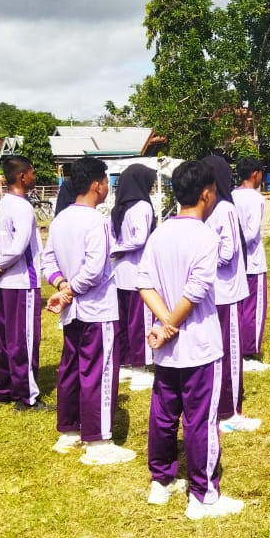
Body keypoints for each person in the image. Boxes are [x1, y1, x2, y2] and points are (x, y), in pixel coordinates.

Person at [137, 158, 245, 520]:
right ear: (205, 194)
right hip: (198, 345)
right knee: (200, 419)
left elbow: (144, 283)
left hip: (168, 347)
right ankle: (204, 494)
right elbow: (196, 290)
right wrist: (171, 324)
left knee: (164, 415)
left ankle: (161, 481)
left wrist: (164, 323)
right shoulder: (204, 236)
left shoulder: (160, 233)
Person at [44, 157, 134, 465]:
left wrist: (61, 286)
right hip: (96, 310)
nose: (108, 187)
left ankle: (69, 431)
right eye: (107, 181)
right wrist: (68, 290)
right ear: (97, 184)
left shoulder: (60, 220)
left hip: (73, 310)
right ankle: (98, 440)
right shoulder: (96, 222)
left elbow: (49, 263)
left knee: (71, 369)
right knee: (100, 370)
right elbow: (95, 270)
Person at [204, 153, 260, 433]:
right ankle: (230, 411)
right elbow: (228, 253)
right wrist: (205, 258)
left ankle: (217, 405)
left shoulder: (202, 207)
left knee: (215, 352)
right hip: (226, 293)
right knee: (230, 352)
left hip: (209, 292)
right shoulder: (225, 208)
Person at [0, 155, 46, 411]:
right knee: (24, 339)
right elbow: (19, 246)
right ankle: (27, 395)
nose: (35, 177)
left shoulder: (2, 204)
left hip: (3, 282)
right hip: (22, 282)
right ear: (22, 176)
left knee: (3, 337)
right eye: (32, 173)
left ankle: (3, 388)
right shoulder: (22, 207)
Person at [110, 163, 158, 392]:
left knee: (123, 322)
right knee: (139, 323)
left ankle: (125, 364)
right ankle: (141, 369)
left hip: (120, 273)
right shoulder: (142, 206)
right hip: (138, 273)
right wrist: (120, 248)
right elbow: (140, 239)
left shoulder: (119, 208)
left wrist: (116, 249)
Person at [233, 157, 270, 372]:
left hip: (235, 262)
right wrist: (240, 244)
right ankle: (249, 352)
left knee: (238, 306)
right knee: (253, 308)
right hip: (253, 261)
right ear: (255, 174)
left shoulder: (230, 196)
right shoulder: (255, 199)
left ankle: (237, 346)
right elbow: (252, 231)